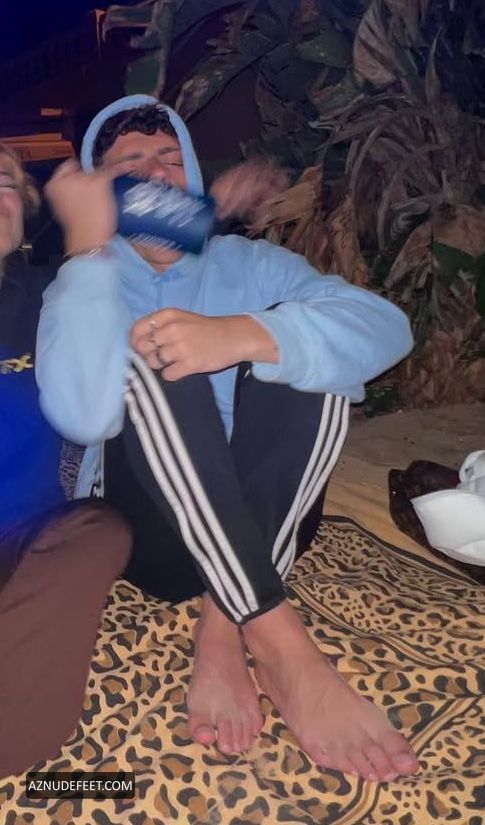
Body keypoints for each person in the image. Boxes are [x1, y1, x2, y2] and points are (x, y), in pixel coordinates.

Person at [37, 94, 419, 783]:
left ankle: (223, 624)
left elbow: (385, 328)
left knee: (310, 358)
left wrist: (244, 334)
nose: (157, 173)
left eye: (170, 157)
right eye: (130, 164)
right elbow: (83, 418)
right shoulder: (83, 276)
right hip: (152, 532)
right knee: (151, 358)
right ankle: (280, 642)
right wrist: (88, 252)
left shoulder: (248, 262)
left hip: (267, 514)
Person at [0, 143, 132, 779]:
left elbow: (90, 414)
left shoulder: (54, 293)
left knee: (101, 531)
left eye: (4, 179)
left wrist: (85, 254)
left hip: (32, 541)